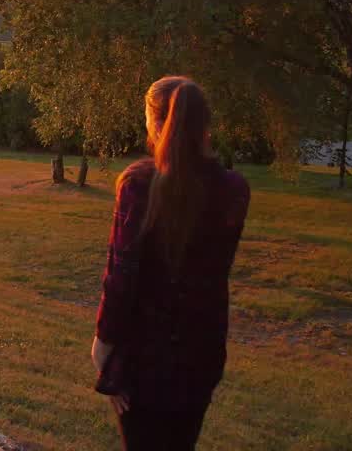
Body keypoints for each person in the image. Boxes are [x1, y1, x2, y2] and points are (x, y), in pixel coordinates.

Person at [90, 76, 250, 450]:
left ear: (156, 123)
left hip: (142, 360)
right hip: (202, 355)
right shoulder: (234, 189)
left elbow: (121, 275)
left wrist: (103, 345)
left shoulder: (138, 185)